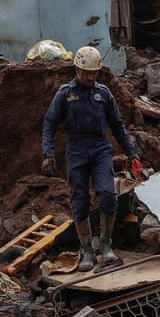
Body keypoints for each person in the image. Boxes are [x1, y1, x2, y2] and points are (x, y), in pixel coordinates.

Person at [41, 46, 139, 271]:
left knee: (107, 194)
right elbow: (49, 123)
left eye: (94, 73)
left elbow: (117, 124)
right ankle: (86, 248)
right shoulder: (65, 94)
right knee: (80, 201)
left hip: (99, 150)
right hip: (76, 152)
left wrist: (130, 150)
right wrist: (47, 152)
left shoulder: (103, 94)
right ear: (77, 69)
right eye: (87, 73)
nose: (90, 77)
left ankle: (105, 245)